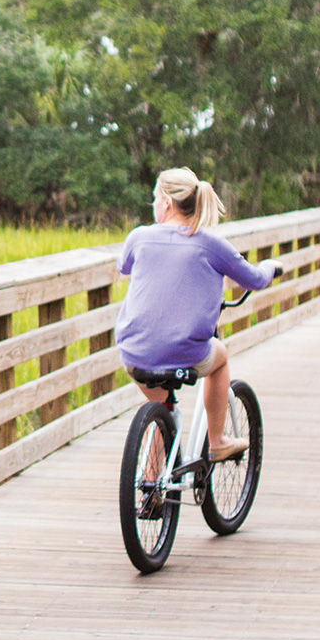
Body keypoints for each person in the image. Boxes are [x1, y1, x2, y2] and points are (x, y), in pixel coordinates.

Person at [115, 167, 274, 457]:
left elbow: (123, 266)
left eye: (154, 198)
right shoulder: (211, 244)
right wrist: (271, 267)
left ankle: (154, 484)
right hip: (186, 353)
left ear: (166, 202)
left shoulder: (138, 238)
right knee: (220, 357)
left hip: (133, 352)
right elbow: (254, 279)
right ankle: (217, 442)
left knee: (162, 407)